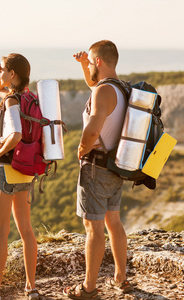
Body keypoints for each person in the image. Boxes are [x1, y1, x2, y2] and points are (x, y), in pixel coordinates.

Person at [63, 40, 132, 299]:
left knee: (93, 228)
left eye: (91, 61)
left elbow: (92, 129)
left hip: (96, 167)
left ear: (99, 62)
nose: (90, 65)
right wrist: (84, 65)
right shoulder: (121, 88)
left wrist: (81, 149)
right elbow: (95, 86)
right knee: (113, 222)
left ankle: (89, 288)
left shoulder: (103, 92)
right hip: (117, 165)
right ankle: (121, 279)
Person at [0, 53, 39, 300]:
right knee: (26, 230)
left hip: (5, 171)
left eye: (5, 70)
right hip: (25, 171)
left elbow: (15, 133)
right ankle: (31, 288)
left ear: (14, 74)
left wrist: (0, 149)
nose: (2, 74)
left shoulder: (11, 102)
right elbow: (0, 88)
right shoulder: (27, 98)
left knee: (1, 231)